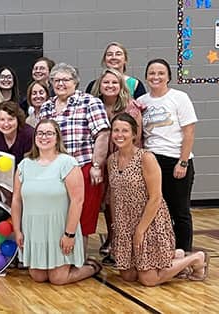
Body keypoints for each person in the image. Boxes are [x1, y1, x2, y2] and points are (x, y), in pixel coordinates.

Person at [107, 113, 208, 285]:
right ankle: (176, 255)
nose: (119, 134)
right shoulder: (112, 160)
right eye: (116, 130)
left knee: (148, 279)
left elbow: (156, 197)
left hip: (149, 219)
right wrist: (117, 226)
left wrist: (140, 230)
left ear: (134, 134)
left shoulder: (146, 158)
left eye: (125, 130)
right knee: (128, 276)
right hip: (126, 220)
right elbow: (115, 195)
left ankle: (196, 259)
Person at [11, 119, 101, 285]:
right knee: (38, 277)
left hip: (59, 229)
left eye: (49, 133)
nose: (44, 137)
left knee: (58, 278)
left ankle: (92, 267)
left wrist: (69, 234)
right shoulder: (24, 165)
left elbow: (77, 200)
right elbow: (16, 200)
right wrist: (17, 231)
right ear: (34, 137)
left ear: (57, 137)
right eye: (40, 133)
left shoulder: (67, 163)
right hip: (34, 229)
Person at [38, 63, 110, 254]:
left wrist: (96, 165)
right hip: (53, 171)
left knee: (83, 217)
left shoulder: (90, 102)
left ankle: (80, 260)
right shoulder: (46, 107)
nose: (60, 83)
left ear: (75, 82)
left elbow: (102, 135)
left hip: (82, 167)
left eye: (65, 79)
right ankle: (59, 259)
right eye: (56, 80)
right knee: (58, 216)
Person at [138, 58, 197, 252]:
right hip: (151, 160)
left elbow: (189, 132)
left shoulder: (180, 98)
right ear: (146, 77)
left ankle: (184, 253)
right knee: (156, 207)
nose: (156, 77)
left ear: (168, 77)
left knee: (179, 211)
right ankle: (161, 251)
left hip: (175, 160)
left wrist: (183, 162)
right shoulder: (142, 102)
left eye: (161, 73)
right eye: (152, 73)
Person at [91, 67, 144, 264]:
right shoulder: (95, 105)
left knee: (122, 202)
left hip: (123, 159)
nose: (110, 86)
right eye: (106, 82)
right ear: (100, 85)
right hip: (102, 159)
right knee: (107, 202)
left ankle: (126, 243)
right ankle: (113, 239)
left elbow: (136, 139)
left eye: (114, 82)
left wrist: (127, 163)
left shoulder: (131, 107)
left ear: (120, 86)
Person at [0, 101, 34, 166]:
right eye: (2, 119)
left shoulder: (29, 134)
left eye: (10, 119)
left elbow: (29, 165)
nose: (6, 124)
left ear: (18, 119)